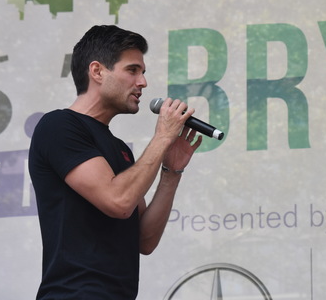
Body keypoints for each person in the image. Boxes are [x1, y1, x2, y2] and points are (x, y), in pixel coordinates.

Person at [29, 25, 202, 299]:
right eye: (133, 70)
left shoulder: (119, 149)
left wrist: (171, 171)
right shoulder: (59, 125)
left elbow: (144, 240)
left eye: (143, 72)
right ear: (97, 71)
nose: (143, 82)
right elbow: (118, 202)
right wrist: (162, 137)